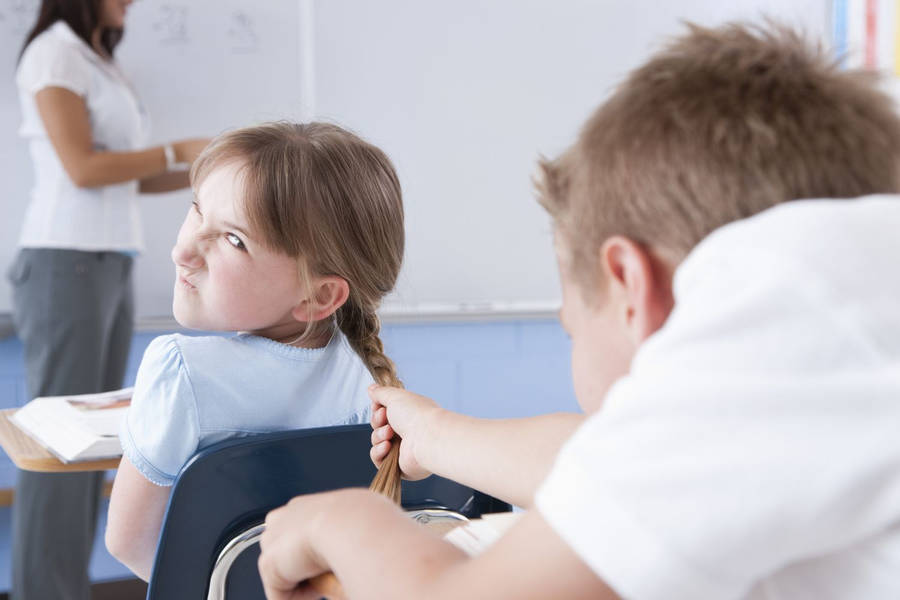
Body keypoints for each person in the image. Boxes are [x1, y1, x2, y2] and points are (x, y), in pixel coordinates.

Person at [256, 22, 900, 600]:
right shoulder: (843, 316)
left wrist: (340, 521)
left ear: (629, 284)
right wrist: (435, 432)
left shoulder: (777, 327)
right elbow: (613, 463)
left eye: (571, 327)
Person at [104, 121, 406, 581]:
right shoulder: (368, 380)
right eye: (196, 210)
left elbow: (129, 542)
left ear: (318, 296)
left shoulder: (181, 370)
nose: (184, 251)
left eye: (234, 240)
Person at [7, 1, 209, 598]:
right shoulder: (54, 53)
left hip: (109, 262)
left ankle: (64, 588)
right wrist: (179, 149)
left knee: (88, 449)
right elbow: (83, 167)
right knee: (56, 448)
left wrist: (208, 169)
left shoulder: (97, 61)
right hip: (66, 262)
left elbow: (129, 176)